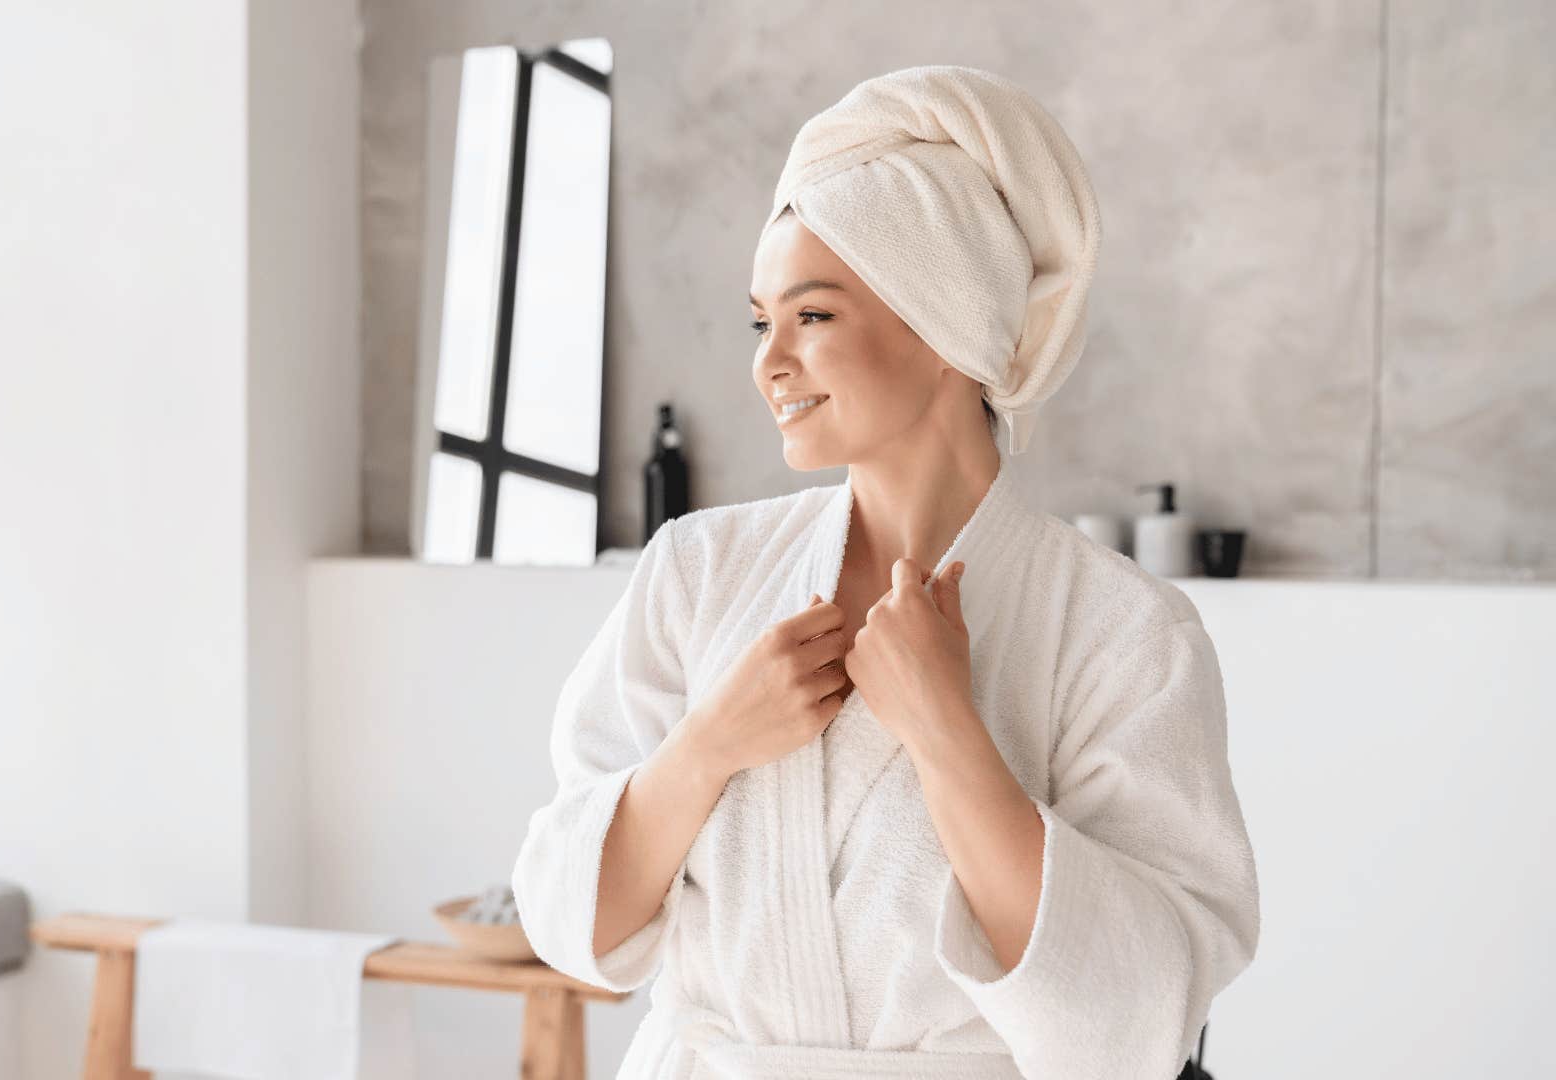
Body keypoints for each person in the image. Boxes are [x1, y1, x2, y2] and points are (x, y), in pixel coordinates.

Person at [511, 65, 1260, 1080]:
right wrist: (707, 748)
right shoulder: (697, 571)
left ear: (945, 324)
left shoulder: (1121, 630)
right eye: (759, 321)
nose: (768, 362)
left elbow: (1131, 1021)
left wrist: (948, 729)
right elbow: (569, 928)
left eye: (812, 317)